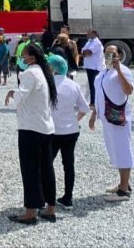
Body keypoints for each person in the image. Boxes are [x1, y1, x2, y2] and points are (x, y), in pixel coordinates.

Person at [5, 43, 58, 224]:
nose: (21, 59)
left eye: (23, 56)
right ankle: (50, 207)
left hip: (31, 128)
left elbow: (21, 98)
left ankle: (31, 211)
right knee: (46, 169)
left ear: (32, 58)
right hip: (46, 127)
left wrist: (12, 93)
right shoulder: (45, 72)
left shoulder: (29, 74)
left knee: (30, 170)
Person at [88, 44, 134, 202]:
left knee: (123, 150)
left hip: (118, 116)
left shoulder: (123, 71)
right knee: (114, 150)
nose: (109, 57)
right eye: (106, 53)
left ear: (119, 55)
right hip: (106, 117)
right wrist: (94, 113)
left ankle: (123, 191)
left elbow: (129, 90)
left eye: (112, 54)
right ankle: (124, 183)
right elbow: (99, 94)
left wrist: (119, 69)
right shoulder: (103, 72)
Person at [47, 54, 89, 209]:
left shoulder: (48, 84)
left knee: (46, 164)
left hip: (52, 131)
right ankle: (68, 198)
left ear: (52, 68)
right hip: (71, 131)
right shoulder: (73, 85)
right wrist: (74, 120)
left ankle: (45, 198)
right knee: (68, 165)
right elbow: (84, 108)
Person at [81, 30, 104, 105]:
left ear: (94, 34)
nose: (87, 35)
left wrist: (84, 53)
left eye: (88, 34)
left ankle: (94, 102)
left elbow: (88, 53)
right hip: (89, 66)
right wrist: (84, 52)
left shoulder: (97, 42)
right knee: (91, 85)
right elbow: (83, 51)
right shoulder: (89, 42)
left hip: (94, 67)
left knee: (94, 85)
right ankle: (93, 102)